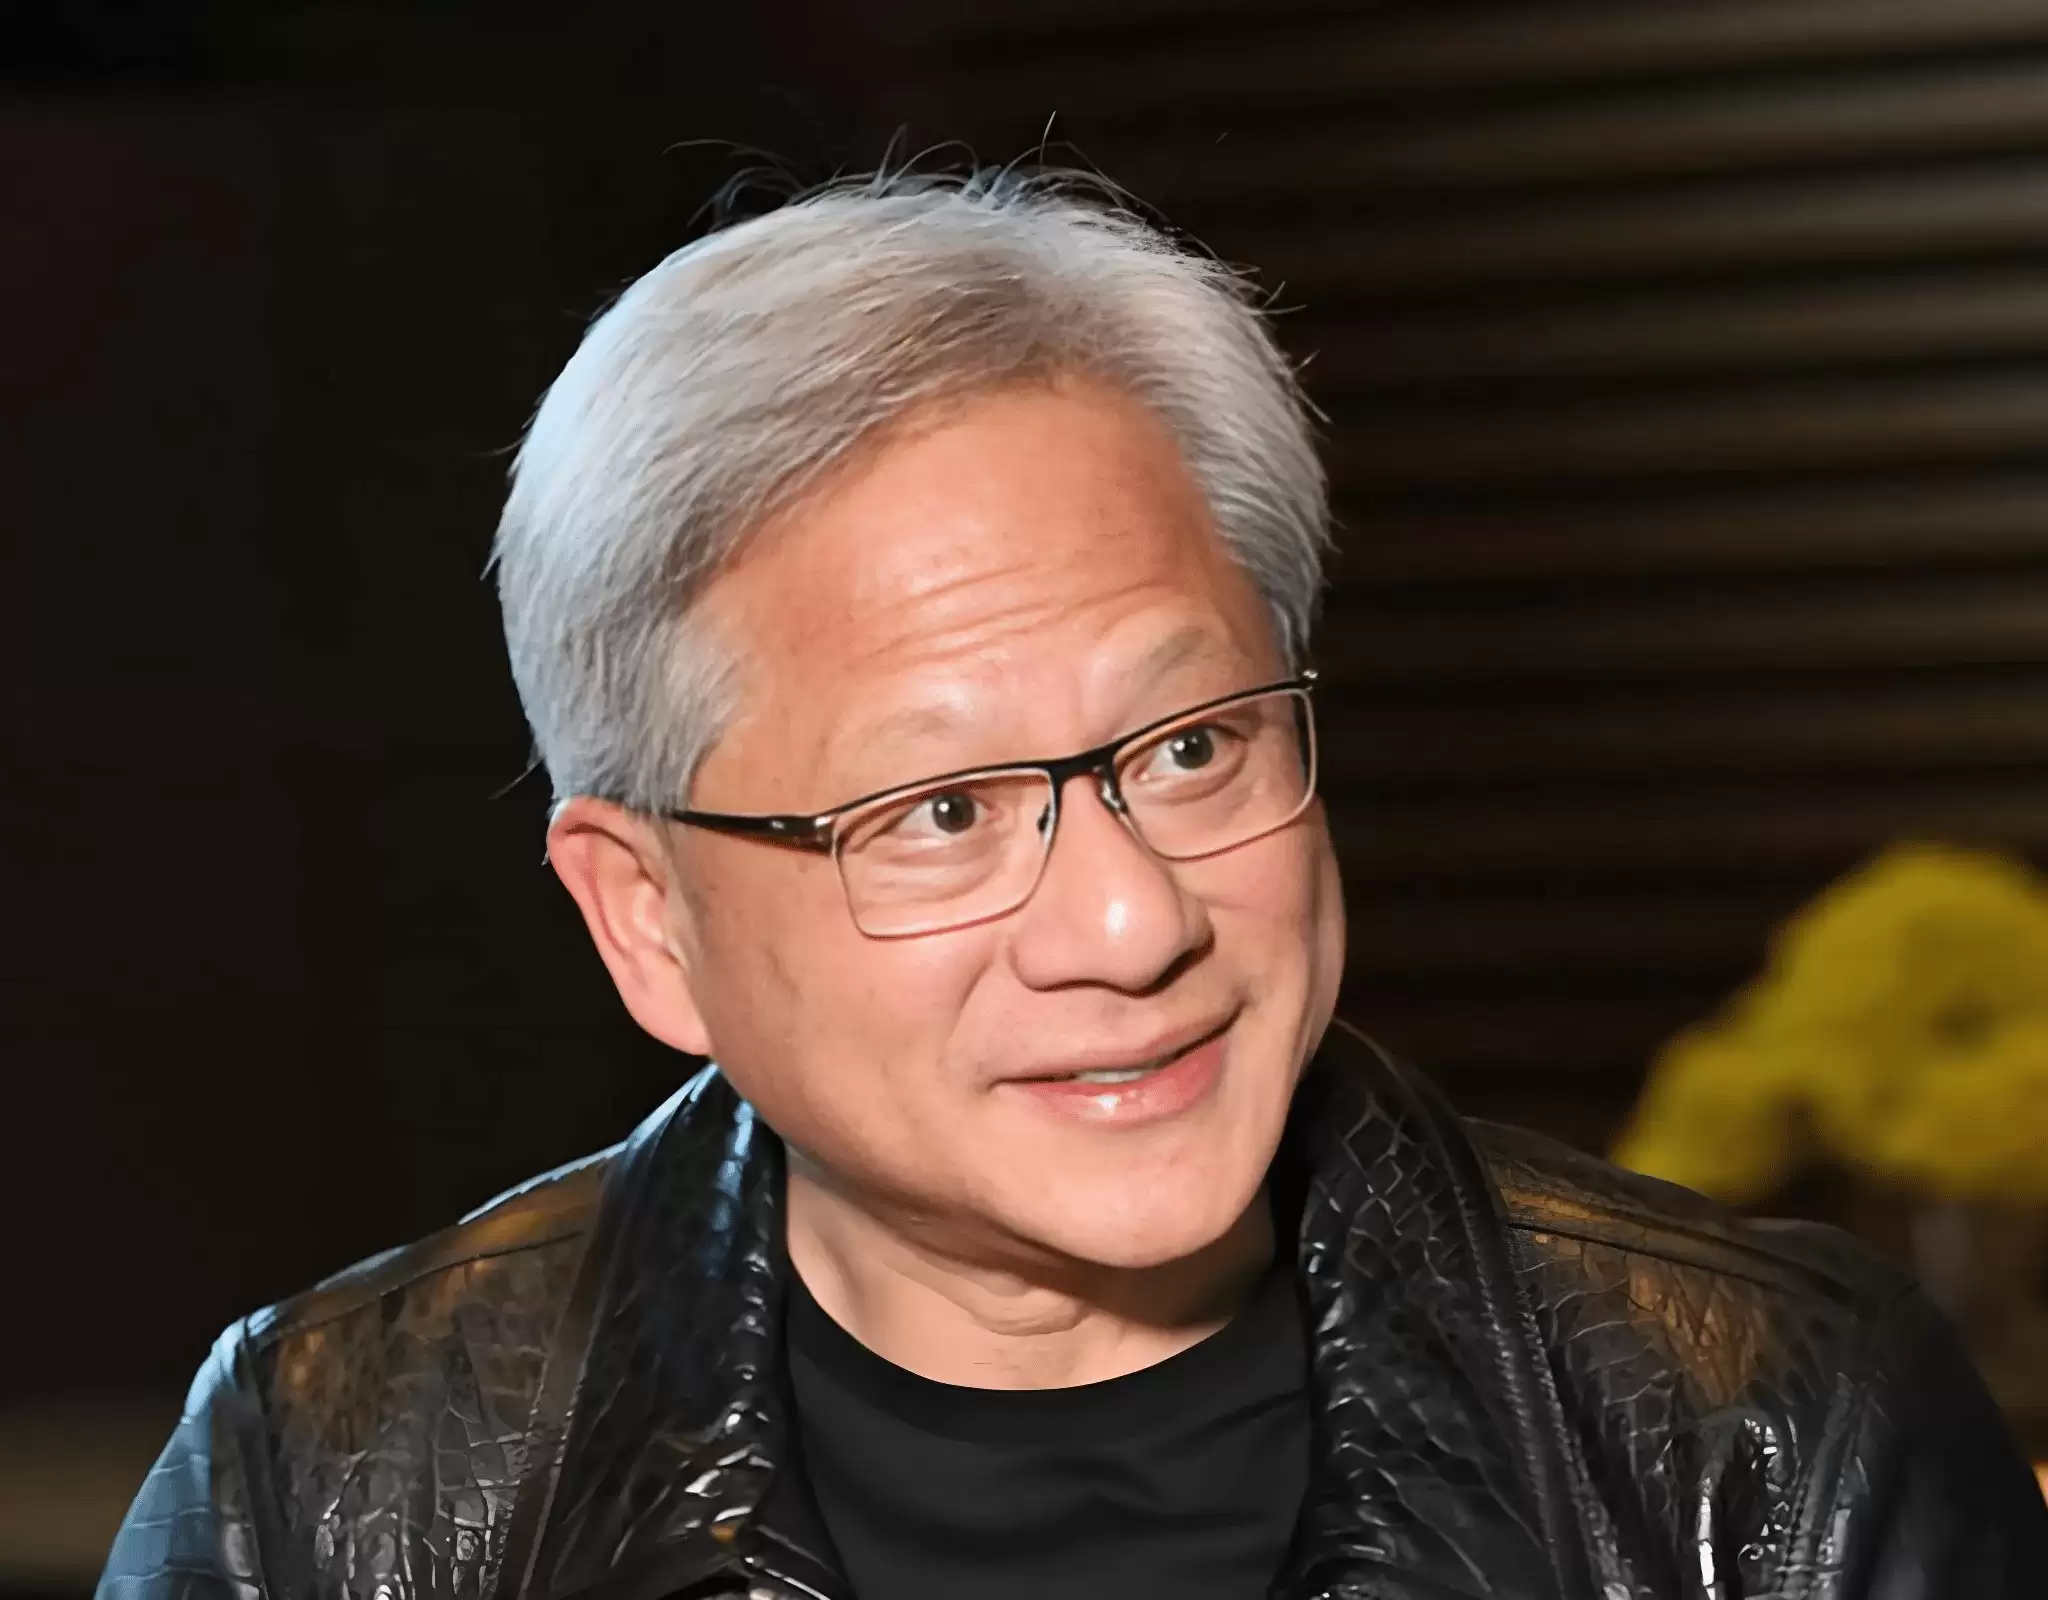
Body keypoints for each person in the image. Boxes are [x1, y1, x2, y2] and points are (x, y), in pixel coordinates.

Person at [100, 171, 2048, 1600]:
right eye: (941, 809)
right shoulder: (332, 1484)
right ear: (647, 919)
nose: (1133, 925)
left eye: (1191, 747)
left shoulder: (1767, 1445)